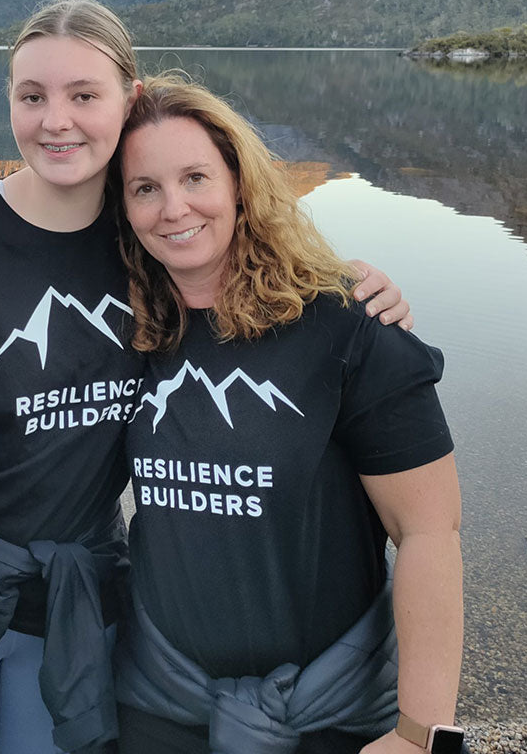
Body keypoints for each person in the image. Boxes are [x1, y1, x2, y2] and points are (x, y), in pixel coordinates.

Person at [0, 0, 414, 754]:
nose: (56, 121)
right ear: (7, 99)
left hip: (81, 596)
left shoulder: (152, 228)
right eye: (32, 96)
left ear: (129, 100)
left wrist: (355, 286)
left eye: (84, 95)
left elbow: (258, 277)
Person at [111, 74, 464, 754]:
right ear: (122, 209)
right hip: (158, 702)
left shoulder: (348, 325)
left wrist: (420, 736)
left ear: (240, 184)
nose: (174, 207)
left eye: (195, 178)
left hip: (334, 711)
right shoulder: (125, 328)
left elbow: (428, 529)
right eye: (144, 188)